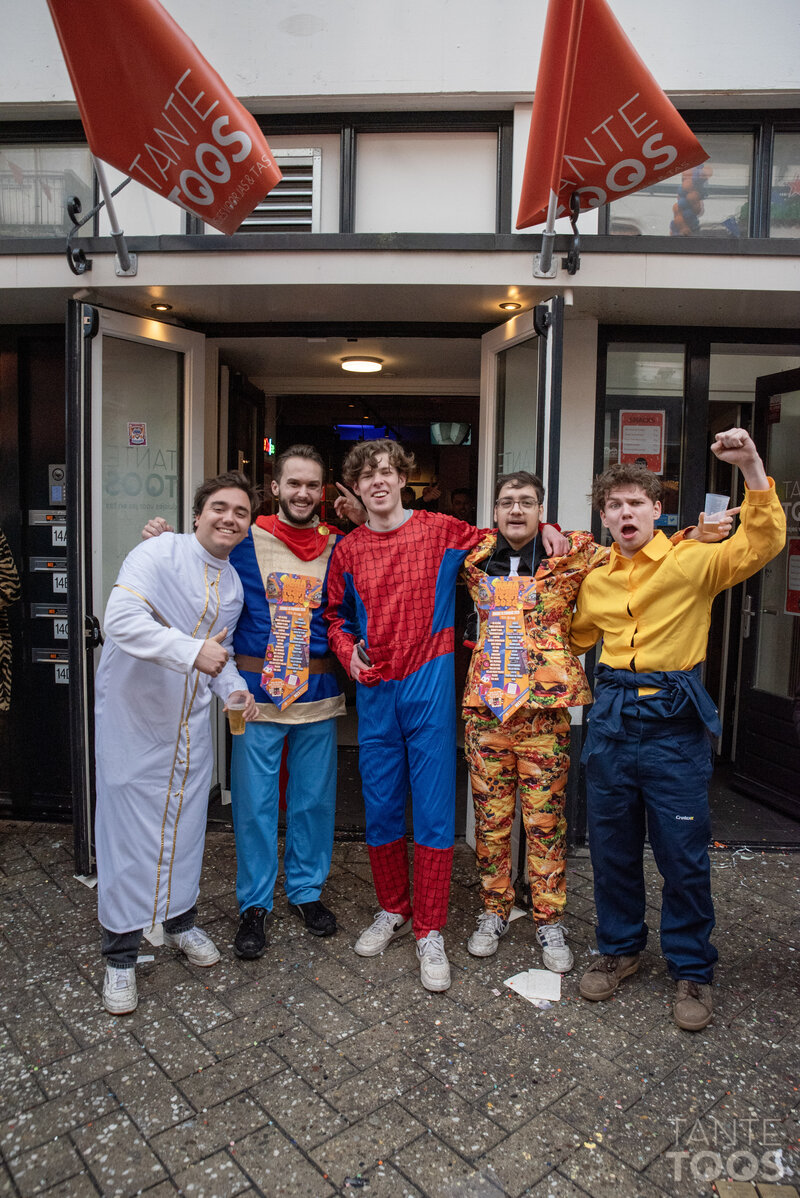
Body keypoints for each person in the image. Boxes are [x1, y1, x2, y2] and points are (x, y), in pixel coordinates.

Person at [325, 440, 566, 992]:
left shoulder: (442, 530)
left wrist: (549, 524)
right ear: (356, 488)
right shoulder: (347, 550)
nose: (379, 481)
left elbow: (511, 530)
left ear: (404, 478)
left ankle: (430, 928)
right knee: (380, 802)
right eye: (367, 475)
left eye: (388, 471)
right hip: (377, 688)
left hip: (430, 682)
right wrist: (346, 650)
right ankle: (394, 908)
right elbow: (333, 616)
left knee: (434, 809)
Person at [570, 428, 785, 1031]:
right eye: (614, 505)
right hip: (611, 722)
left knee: (683, 855)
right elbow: (573, 636)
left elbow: (765, 540)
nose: (625, 512)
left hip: (673, 726)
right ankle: (619, 949)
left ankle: (692, 967)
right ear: (605, 516)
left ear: (655, 510)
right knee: (611, 849)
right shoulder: (594, 578)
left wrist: (752, 468)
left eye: (636, 502)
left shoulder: (694, 560)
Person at [144, 446, 353, 961]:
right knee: (254, 807)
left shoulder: (341, 546)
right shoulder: (242, 537)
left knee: (313, 803)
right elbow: (194, 562)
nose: (302, 493)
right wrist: (159, 544)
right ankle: (254, 903)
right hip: (254, 697)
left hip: (318, 697)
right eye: (293, 483)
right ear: (275, 488)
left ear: (322, 493)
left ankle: (306, 892)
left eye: (312, 485)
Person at [95, 471, 258, 1015]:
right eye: (219, 507)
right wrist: (191, 652)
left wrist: (235, 692)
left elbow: (220, 658)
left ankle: (180, 920)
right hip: (133, 719)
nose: (228, 518)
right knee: (127, 832)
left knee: (187, 827)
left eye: (240, 512)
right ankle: (120, 953)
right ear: (197, 514)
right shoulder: (159, 553)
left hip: (187, 727)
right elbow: (120, 619)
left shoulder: (232, 585)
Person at [461, 471, 606, 972]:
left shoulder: (568, 554)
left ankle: (548, 917)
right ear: (495, 512)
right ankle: (494, 909)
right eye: (507, 503)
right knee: (492, 821)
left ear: (541, 509)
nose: (516, 511)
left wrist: (558, 528)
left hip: (544, 716)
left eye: (527, 503)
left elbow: (628, 547)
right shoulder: (474, 557)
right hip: (487, 715)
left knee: (545, 823)